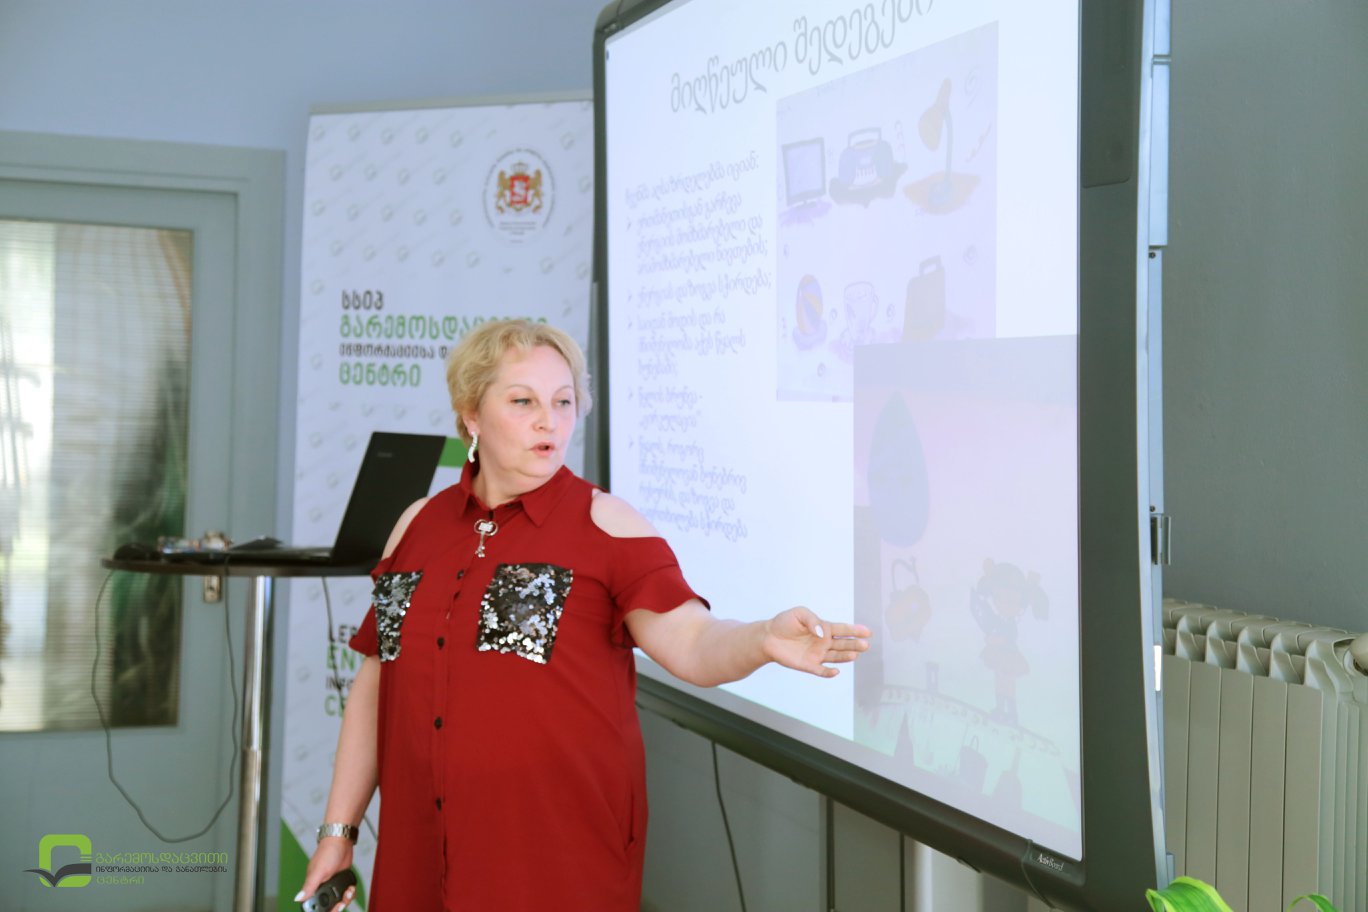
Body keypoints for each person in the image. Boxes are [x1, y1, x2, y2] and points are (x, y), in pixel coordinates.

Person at [295, 318, 870, 911]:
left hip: (553, 858)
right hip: (420, 850)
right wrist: (339, 833)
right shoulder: (417, 525)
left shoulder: (606, 523)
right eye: (523, 401)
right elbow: (377, 684)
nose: (549, 421)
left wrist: (762, 638)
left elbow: (692, 643)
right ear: (471, 415)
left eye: (563, 402)